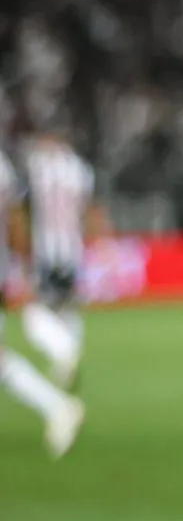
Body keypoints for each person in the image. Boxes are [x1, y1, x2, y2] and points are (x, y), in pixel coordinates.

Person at [2, 126, 97, 457]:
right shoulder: (76, 168)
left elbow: (21, 214)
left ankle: (62, 363)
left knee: (36, 314)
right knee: (63, 308)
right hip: (70, 249)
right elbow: (16, 219)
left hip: (47, 251)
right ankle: (64, 356)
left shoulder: (37, 165)